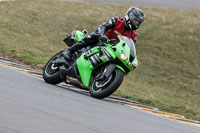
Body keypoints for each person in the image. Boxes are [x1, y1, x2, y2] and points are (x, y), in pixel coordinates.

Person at [63, 7, 145, 64]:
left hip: (113, 49)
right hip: (102, 40)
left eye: (138, 22)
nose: (136, 23)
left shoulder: (134, 35)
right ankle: (70, 50)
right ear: (129, 16)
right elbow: (103, 27)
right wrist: (102, 35)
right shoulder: (116, 20)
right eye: (135, 20)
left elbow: (128, 48)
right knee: (95, 35)